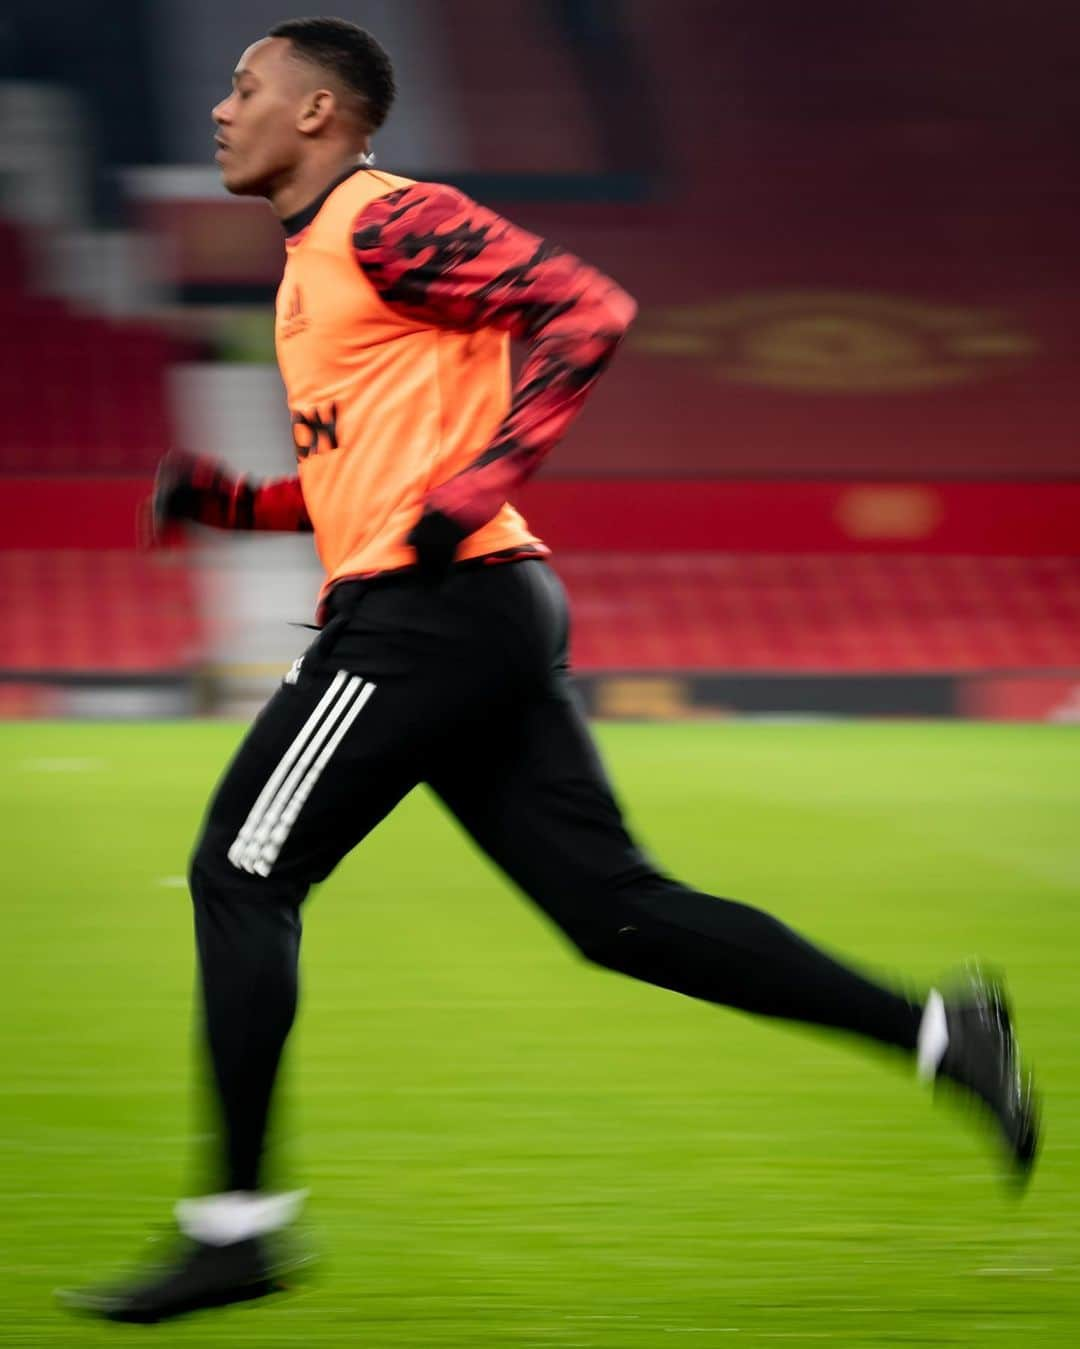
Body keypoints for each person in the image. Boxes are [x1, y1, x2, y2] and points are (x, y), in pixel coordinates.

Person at [62, 17, 1039, 1325]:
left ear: (317, 114)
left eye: (245, 89)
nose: (220, 111)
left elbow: (588, 306)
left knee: (241, 867)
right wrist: (234, 498)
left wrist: (490, 477)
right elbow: (367, 484)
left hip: (428, 613)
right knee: (613, 913)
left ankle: (239, 1228)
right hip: (474, 606)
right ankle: (939, 1034)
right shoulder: (313, 272)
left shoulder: (384, 219)